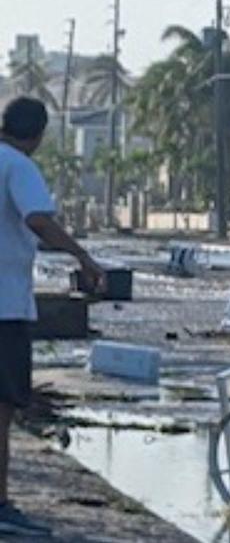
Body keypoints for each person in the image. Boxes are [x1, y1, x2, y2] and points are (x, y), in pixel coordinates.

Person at [0, 97, 105, 536]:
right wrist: (83, 256)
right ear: (39, 134)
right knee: (3, 409)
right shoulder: (19, 166)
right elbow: (39, 220)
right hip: (4, 308)